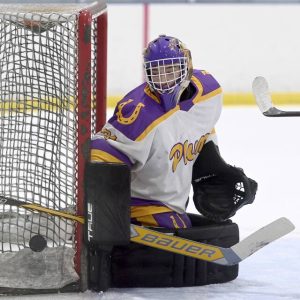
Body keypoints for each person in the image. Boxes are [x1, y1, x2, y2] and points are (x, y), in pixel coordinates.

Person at [90, 34, 257, 230]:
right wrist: (105, 210)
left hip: (173, 203)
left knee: (208, 231)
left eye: (170, 69)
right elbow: (99, 150)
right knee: (181, 230)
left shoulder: (209, 93)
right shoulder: (138, 112)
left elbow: (201, 127)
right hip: (139, 205)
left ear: (187, 67)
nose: (164, 79)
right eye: (156, 71)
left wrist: (212, 166)